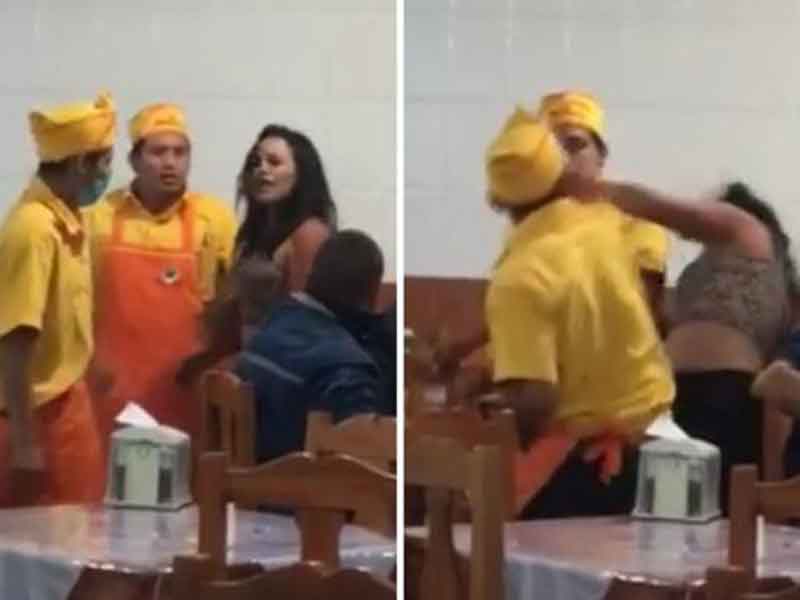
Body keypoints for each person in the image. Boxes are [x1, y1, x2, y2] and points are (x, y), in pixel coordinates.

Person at [483, 108, 675, 519]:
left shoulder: (522, 274)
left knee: (490, 531)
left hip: (585, 467)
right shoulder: (609, 228)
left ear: (497, 201)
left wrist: (492, 421)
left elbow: (536, 399)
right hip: (656, 447)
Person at [567, 177, 795, 514]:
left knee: (691, 514)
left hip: (720, 395)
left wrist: (593, 189)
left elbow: (658, 206)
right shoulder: (718, 266)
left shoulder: (748, 231)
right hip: (675, 397)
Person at [434, 91, 669, 383]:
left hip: (608, 392)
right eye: (553, 149)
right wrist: (472, 355)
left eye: (575, 145)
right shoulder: (531, 225)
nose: (563, 160)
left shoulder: (635, 222)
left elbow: (631, 315)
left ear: (601, 157)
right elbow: (524, 306)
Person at [85, 103, 237, 459]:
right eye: (158, 152)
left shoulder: (214, 218)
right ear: (134, 160)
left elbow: (234, 303)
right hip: (111, 392)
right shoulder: (98, 218)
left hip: (186, 387)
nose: (170, 163)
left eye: (180, 152)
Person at [0, 92, 116, 506]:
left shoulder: (69, 221)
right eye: (105, 162)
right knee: (45, 537)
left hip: (69, 404)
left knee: (81, 528)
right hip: (38, 414)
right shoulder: (34, 229)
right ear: (81, 163)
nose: (108, 174)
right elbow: (15, 340)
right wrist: (25, 443)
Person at [179, 124, 336, 383]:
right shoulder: (251, 234)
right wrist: (207, 357)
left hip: (285, 371)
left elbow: (303, 324)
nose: (262, 170)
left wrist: (238, 363)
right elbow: (235, 310)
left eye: (274, 162)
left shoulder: (309, 234)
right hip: (250, 365)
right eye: (255, 163)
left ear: (300, 174)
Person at [237, 230, 391, 463]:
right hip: (300, 483)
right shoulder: (346, 368)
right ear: (370, 295)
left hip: (247, 477)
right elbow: (363, 467)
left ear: (313, 274)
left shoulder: (268, 327)